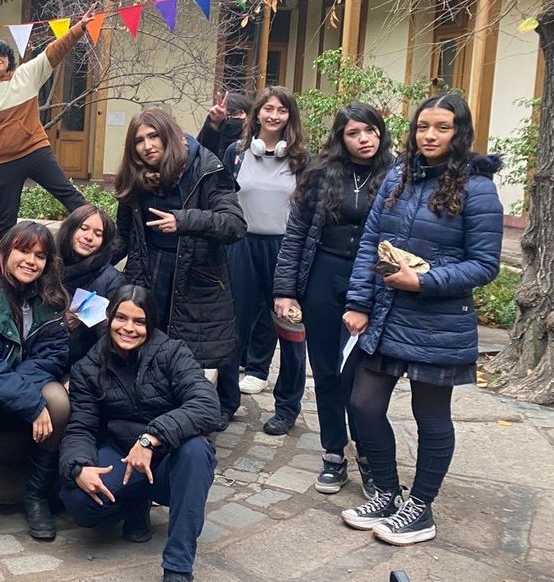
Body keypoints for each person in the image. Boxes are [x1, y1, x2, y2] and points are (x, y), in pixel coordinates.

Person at [339, 93, 503, 546]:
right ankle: (387, 492)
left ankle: (420, 508)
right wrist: (359, 302)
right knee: (363, 404)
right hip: (388, 314)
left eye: (442, 127)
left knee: (430, 416)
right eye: (423, 126)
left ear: (459, 132)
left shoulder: (478, 189)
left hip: (439, 321)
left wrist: (424, 282)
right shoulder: (399, 176)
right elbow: (371, 242)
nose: (430, 135)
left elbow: (484, 264)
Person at [274, 102, 395, 497]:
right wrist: (285, 290)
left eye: (370, 130)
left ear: (381, 132)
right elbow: (295, 234)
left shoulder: (397, 176)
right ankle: (333, 454)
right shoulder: (320, 174)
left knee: (360, 377)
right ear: (341, 138)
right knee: (326, 371)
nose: (364, 139)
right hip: (323, 278)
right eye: (354, 133)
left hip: (372, 283)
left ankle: (369, 456)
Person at [59, 285, 219, 582]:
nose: (129, 328)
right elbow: (81, 427)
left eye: (139, 321)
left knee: (197, 450)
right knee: (78, 500)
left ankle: (178, 566)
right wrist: (79, 467)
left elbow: (207, 405)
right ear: (109, 318)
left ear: (150, 324)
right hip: (122, 458)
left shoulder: (172, 352)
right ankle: (134, 504)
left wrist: (151, 438)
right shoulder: (87, 368)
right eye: (121, 318)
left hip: (171, 459)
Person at [0, 221, 70, 551]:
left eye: (40, 255)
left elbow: (53, 356)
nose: (31, 261)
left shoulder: (51, 297)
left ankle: (35, 496)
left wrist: (17, 395)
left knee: (58, 401)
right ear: (6, 251)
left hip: (21, 386)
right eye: (23, 251)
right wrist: (26, 401)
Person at [111, 108, 245, 377]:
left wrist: (183, 221)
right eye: (139, 140)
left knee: (194, 358)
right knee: (148, 353)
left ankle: (218, 399)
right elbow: (123, 237)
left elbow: (234, 224)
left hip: (196, 275)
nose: (147, 146)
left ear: (168, 135)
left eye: (153, 136)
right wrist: (85, 259)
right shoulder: (135, 176)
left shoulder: (204, 167)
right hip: (149, 271)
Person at [0, 6, 99, 236]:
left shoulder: (27, 75)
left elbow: (55, 50)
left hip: (36, 152)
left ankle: (102, 235)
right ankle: (7, 257)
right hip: (3, 162)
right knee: (7, 219)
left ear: (9, 58)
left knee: (71, 197)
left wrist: (80, 27)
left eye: (0, 54)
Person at [218, 86, 310, 435]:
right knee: (232, 328)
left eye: (281, 110)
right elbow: (222, 196)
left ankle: (286, 408)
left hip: (286, 249)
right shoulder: (236, 152)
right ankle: (225, 401)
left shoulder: (301, 159)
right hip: (241, 246)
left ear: (290, 116)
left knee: (290, 330)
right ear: (256, 113)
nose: (274, 115)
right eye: (268, 109)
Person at [56, 204, 124, 366]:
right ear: (70, 229)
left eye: (98, 234)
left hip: (85, 365)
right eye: (83, 228)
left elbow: (113, 339)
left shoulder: (112, 280)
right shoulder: (46, 265)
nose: (89, 237)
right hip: (42, 358)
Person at [197, 91, 253, 163]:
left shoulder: (254, 144)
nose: (229, 118)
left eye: (235, 114)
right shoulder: (211, 139)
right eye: (225, 115)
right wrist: (214, 123)